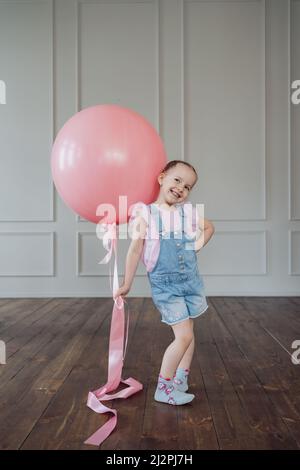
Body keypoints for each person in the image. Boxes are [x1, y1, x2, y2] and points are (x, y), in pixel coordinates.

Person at [113, 160, 215, 405]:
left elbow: (209, 227)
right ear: (162, 178)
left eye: (187, 186)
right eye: (177, 180)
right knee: (182, 337)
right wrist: (127, 283)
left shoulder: (187, 212)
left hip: (191, 282)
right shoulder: (146, 213)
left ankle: (181, 378)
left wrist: (195, 247)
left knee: (189, 334)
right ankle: (164, 387)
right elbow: (135, 249)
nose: (181, 188)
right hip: (166, 286)